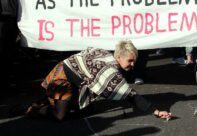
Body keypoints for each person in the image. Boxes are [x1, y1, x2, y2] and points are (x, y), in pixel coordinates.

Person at [25, 40, 172, 121]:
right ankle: (33, 109)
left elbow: (87, 53)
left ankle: (51, 100)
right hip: (62, 78)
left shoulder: (106, 55)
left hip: (74, 79)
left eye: (135, 61)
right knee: (60, 116)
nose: (133, 65)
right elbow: (130, 95)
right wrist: (156, 111)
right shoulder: (110, 72)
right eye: (130, 61)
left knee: (87, 109)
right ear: (119, 57)